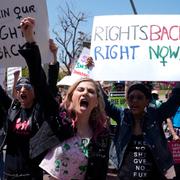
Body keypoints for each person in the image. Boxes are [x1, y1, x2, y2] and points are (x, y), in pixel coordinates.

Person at [19, 17, 111, 180]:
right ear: (71, 97)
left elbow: (100, 171)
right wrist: (30, 40)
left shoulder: (101, 134)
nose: (85, 93)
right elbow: (39, 83)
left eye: (91, 91)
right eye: (80, 90)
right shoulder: (59, 118)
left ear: (96, 101)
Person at [0, 35, 64, 180]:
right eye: (19, 87)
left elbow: (48, 86)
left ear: (35, 92)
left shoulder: (40, 111)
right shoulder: (12, 110)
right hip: (8, 174)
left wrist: (53, 57)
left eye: (27, 87)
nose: (23, 90)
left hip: (31, 175)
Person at [103, 82, 180, 179]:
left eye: (139, 97)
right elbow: (105, 103)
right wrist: (93, 80)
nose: (135, 100)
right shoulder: (122, 117)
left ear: (147, 101)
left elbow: (174, 101)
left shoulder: (155, 117)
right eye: (131, 98)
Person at [167, 107, 180, 180]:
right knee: (177, 158)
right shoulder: (174, 102)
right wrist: (174, 134)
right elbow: (168, 119)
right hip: (176, 131)